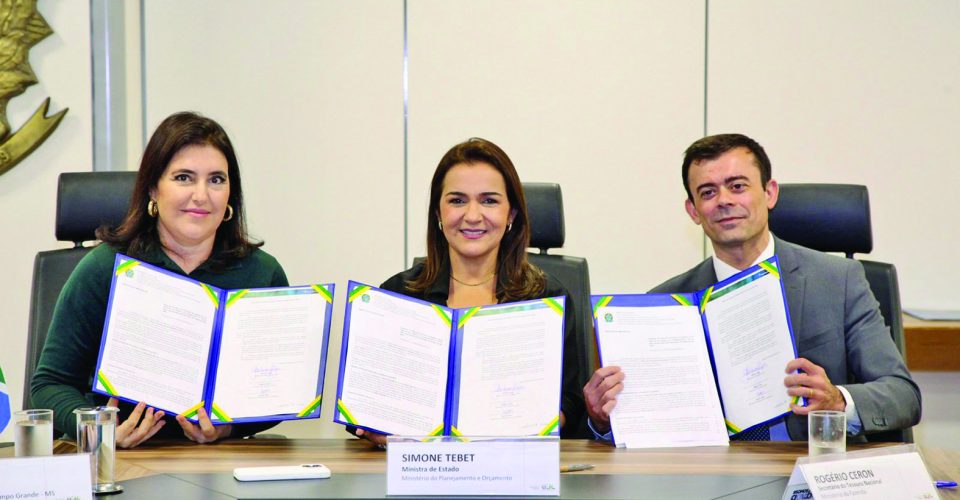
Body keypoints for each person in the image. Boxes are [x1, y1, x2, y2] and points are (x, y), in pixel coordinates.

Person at [584, 133, 921, 441]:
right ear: (693, 211)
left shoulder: (839, 279)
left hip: (812, 469)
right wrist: (603, 420)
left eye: (738, 186)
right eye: (708, 192)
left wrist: (837, 400)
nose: (724, 201)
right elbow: (648, 424)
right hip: (711, 479)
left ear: (769, 193)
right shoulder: (665, 302)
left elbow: (902, 395)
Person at [31, 112, 288, 447]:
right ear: (153, 187)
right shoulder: (103, 268)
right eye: (183, 178)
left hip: (222, 463)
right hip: (119, 463)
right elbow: (49, 384)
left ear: (230, 194)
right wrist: (99, 430)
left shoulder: (261, 273)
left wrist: (228, 428)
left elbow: (276, 392)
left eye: (216, 180)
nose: (201, 195)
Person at [353, 138, 587, 446]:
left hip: (516, 469)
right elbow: (366, 399)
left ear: (511, 214)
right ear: (438, 212)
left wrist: (543, 422)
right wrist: (375, 427)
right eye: (457, 200)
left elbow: (570, 400)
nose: (473, 215)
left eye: (489, 201)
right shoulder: (398, 295)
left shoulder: (546, 298)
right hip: (418, 471)